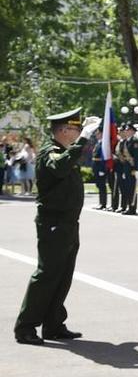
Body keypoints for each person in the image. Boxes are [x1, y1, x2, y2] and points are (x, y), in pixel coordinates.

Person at [14, 109, 101, 344]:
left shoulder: (64, 151)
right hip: (53, 223)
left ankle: (53, 324)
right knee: (47, 275)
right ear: (63, 131)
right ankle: (25, 326)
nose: (79, 133)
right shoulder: (50, 153)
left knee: (63, 276)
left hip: (68, 223)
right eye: (75, 129)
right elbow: (60, 167)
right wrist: (83, 139)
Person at [114, 123, 138, 215]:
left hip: (132, 168)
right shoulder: (126, 141)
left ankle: (133, 208)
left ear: (132, 131)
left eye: (128, 130)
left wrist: (136, 169)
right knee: (128, 188)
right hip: (126, 168)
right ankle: (129, 206)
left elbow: (136, 157)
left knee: (132, 188)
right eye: (126, 130)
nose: (126, 132)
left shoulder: (135, 141)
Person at [91, 138, 110, 210]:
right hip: (96, 167)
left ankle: (103, 203)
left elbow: (103, 157)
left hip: (100, 167)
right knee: (99, 185)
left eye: (98, 132)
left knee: (102, 186)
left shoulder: (103, 143)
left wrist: (102, 169)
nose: (96, 134)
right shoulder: (98, 143)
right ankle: (100, 203)